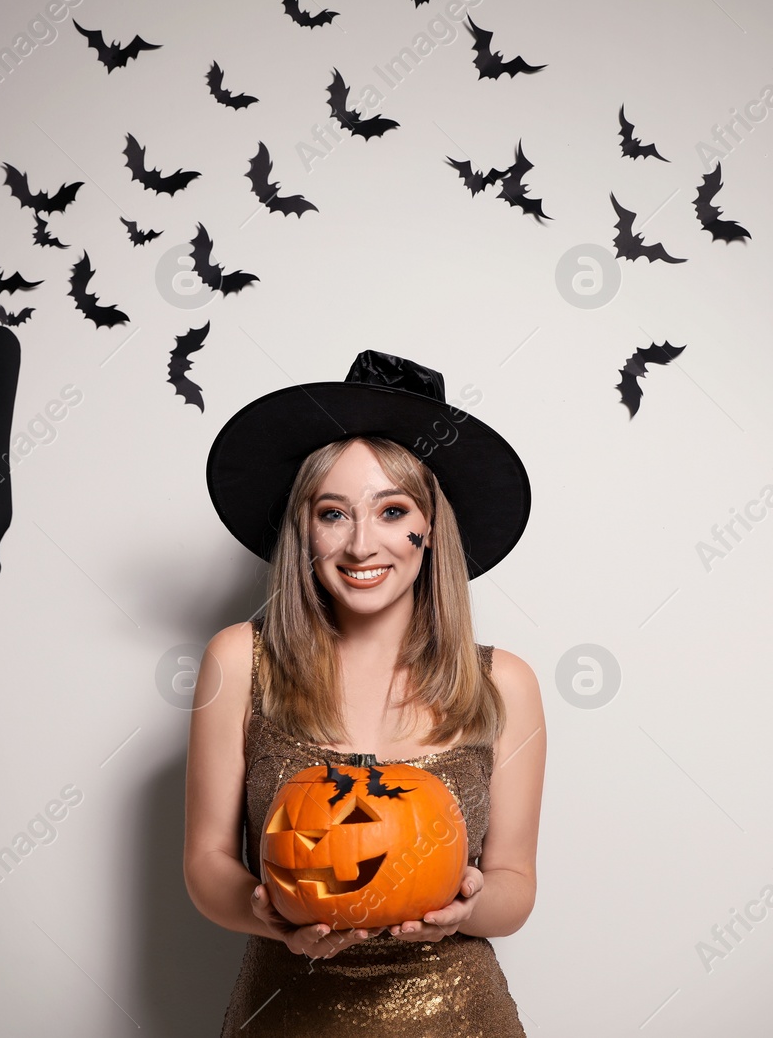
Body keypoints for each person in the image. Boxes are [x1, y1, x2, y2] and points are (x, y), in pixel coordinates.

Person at [185, 349, 545, 1036]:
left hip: (459, 1019)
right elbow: (205, 864)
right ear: (304, 528)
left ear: (429, 526)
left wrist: (470, 907)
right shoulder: (238, 661)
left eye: (391, 510)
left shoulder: (505, 683)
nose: (360, 545)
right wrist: (265, 912)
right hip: (284, 1016)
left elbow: (516, 887)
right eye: (332, 514)